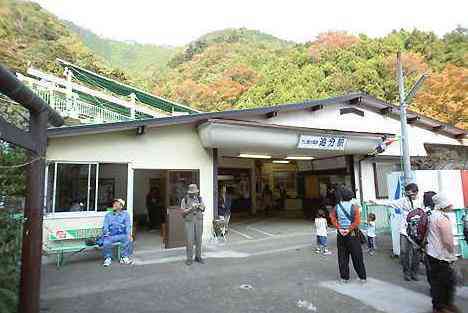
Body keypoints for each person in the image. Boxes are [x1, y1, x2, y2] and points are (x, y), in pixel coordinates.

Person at [426, 194, 460, 313]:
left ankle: (438, 306)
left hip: (431, 254)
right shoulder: (442, 219)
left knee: (435, 282)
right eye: (449, 203)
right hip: (442, 256)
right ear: (443, 205)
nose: (451, 205)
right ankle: (445, 305)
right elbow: (448, 241)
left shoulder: (431, 215)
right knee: (448, 282)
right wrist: (452, 253)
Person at [330, 186, 366, 283]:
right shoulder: (354, 207)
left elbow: (332, 218)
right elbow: (357, 221)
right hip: (353, 234)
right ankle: (362, 277)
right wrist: (349, 229)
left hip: (341, 234)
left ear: (340, 196)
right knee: (357, 256)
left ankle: (344, 278)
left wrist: (339, 228)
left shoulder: (337, 207)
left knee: (342, 257)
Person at [387, 183, 422, 281]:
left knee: (416, 253)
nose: (408, 196)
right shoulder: (404, 201)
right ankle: (406, 272)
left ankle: (415, 273)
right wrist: (375, 202)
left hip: (417, 232)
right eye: (407, 194)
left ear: (416, 193)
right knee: (404, 252)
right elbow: (391, 203)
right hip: (404, 231)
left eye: (410, 194)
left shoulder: (421, 201)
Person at [102, 199, 133, 267]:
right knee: (106, 242)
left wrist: (129, 234)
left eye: (117, 203)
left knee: (128, 239)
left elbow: (128, 226)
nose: (114, 204)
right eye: (114, 203)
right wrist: (106, 232)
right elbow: (105, 225)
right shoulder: (108, 215)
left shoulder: (125, 214)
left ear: (121, 206)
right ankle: (108, 258)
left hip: (121, 234)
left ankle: (124, 256)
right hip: (111, 235)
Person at [181, 184, 205, 266]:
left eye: (196, 192)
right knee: (189, 241)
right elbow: (183, 212)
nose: (195, 194)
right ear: (189, 192)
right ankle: (189, 258)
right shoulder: (185, 200)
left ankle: (198, 257)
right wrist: (191, 208)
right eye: (193, 193)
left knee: (199, 240)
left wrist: (200, 206)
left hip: (199, 220)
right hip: (189, 222)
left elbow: (203, 208)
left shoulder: (199, 198)